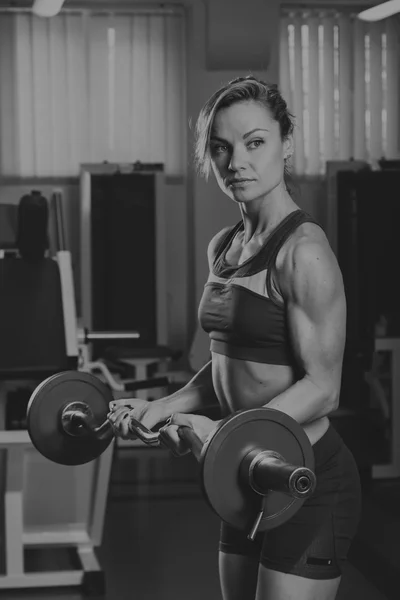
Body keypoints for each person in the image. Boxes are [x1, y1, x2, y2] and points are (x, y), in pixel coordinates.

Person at [107, 76, 362, 600]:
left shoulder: (304, 252)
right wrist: (165, 404)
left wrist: (222, 438)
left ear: (286, 144)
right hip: (245, 475)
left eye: (255, 142)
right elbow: (226, 364)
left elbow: (324, 387)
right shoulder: (224, 246)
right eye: (221, 148)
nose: (236, 162)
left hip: (303, 475)